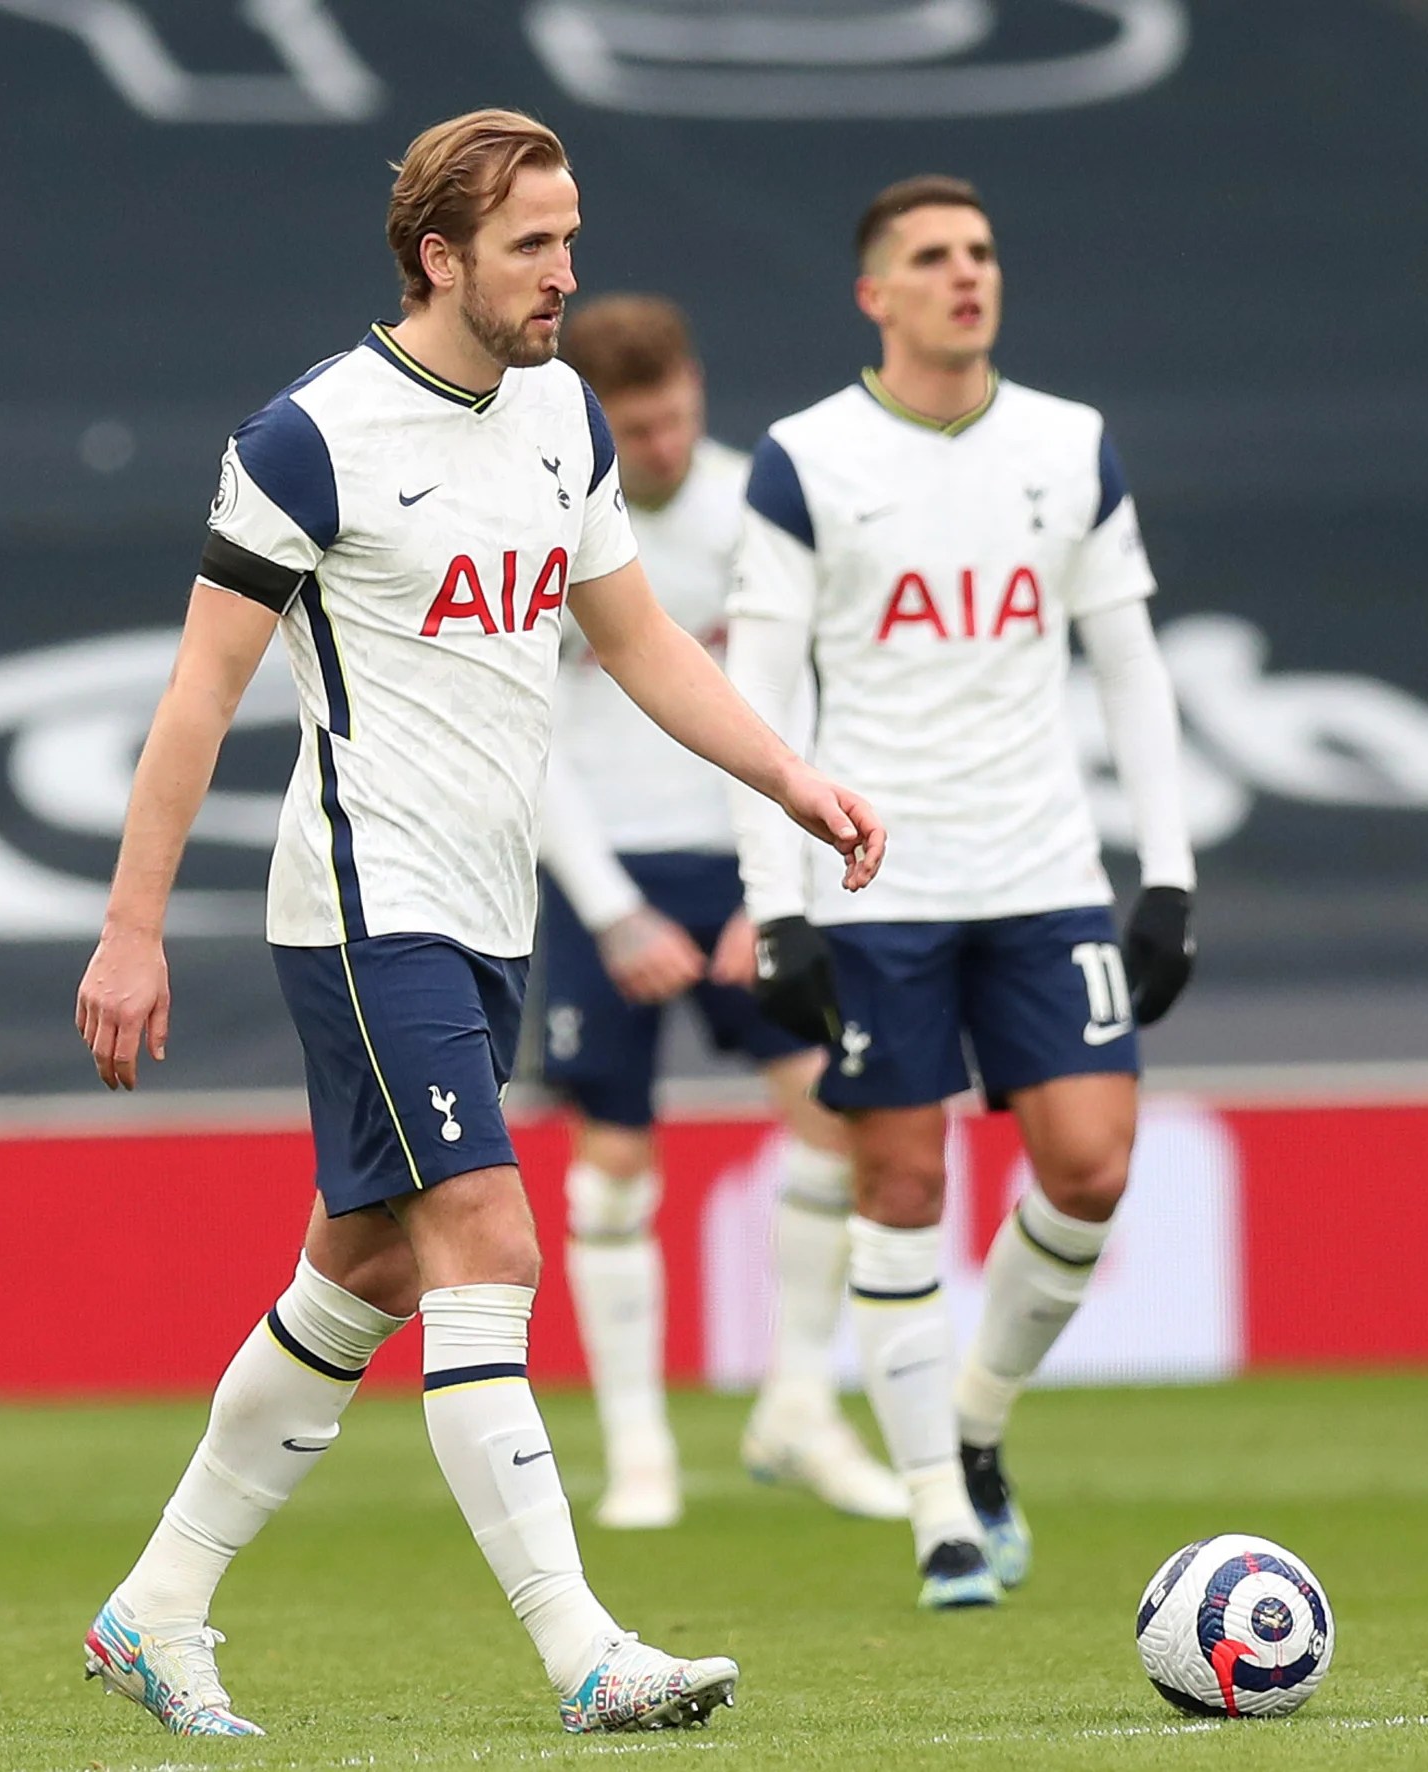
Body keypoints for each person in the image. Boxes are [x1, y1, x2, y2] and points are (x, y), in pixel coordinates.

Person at [70, 110, 885, 1737]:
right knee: (489, 1239)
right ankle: (585, 1650)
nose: (563, 274)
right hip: (371, 906)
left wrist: (786, 775)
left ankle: (152, 1608)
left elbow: (641, 642)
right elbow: (197, 695)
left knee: (362, 1266)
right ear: (438, 253)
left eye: (569, 237)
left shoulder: (562, 417)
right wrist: (131, 929)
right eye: (532, 244)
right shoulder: (312, 438)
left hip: (482, 912)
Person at [723, 175, 1198, 1610]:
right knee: (903, 1179)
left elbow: (1130, 665)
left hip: (1045, 872)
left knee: (1092, 1166)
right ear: (875, 294)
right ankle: (935, 1508)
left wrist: (1165, 873)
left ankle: (974, 1421)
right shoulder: (804, 460)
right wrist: (779, 899)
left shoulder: (1071, 445)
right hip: (876, 883)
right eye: (931, 257)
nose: (964, 276)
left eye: (980, 252)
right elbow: (758, 688)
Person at [537, 292, 904, 1528]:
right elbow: (521, 734)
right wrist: (609, 911)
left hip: (739, 860)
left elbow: (810, 696)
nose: (662, 448)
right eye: (635, 430)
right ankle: (639, 1451)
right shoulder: (539, 518)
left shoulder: (757, 505)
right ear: (595, 420)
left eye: (676, 417)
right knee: (612, 1161)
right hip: (609, 876)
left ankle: (796, 1403)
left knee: (829, 1111)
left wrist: (776, 886)